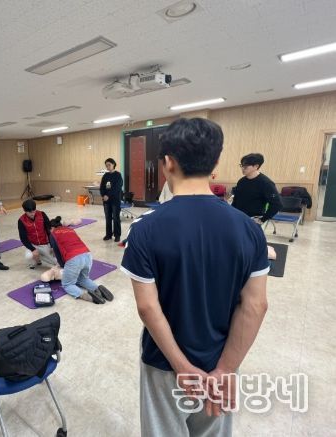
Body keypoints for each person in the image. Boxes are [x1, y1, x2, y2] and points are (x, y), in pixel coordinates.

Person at [121, 118, 269, 437]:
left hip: (164, 363)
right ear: (215, 164)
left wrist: (182, 366)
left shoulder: (144, 230)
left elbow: (148, 308)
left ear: (168, 163)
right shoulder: (249, 230)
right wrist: (225, 369)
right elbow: (255, 306)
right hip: (220, 360)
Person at [49, 216, 114, 304]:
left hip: (74, 258)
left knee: (67, 284)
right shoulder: (70, 230)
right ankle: (97, 288)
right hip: (87, 255)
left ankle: (89, 297)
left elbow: (57, 253)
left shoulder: (53, 234)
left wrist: (63, 265)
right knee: (82, 278)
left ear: (52, 228)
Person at [231, 153, 282, 224]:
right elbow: (236, 200)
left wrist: (263, 219)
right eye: (241, 165)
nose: (242, 168)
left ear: (256, 166)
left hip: (253, 220)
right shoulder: (241, 181)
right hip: (238, 217)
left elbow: (277, 204)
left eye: (245, 166)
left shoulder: (266, 183)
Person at [18, 199, 57, 268]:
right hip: (33, 244)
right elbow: (23, 238)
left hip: (44, 243)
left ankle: (39, 257)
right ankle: (36, 259)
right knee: (28, 256)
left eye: (34, 211)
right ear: (24, 211)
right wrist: (33, 249)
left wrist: (52, 245)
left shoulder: (42, 214)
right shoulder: (21, 220)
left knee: (55, 262)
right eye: (30, 212)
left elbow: (49, 231)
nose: (32, 214)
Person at [100, 158, 123, 242]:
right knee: (108, 218)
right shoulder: (105, 175)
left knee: (116, 218)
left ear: (113, 164)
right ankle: (108, 235)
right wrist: (103, 195)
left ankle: (117, 235)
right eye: (106, 165)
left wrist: (108, 195)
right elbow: (102, 187)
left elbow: (117, 188)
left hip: (115, 200)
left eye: (109, 165)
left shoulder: (118, 175)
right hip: (106, 201)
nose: (108, 167)